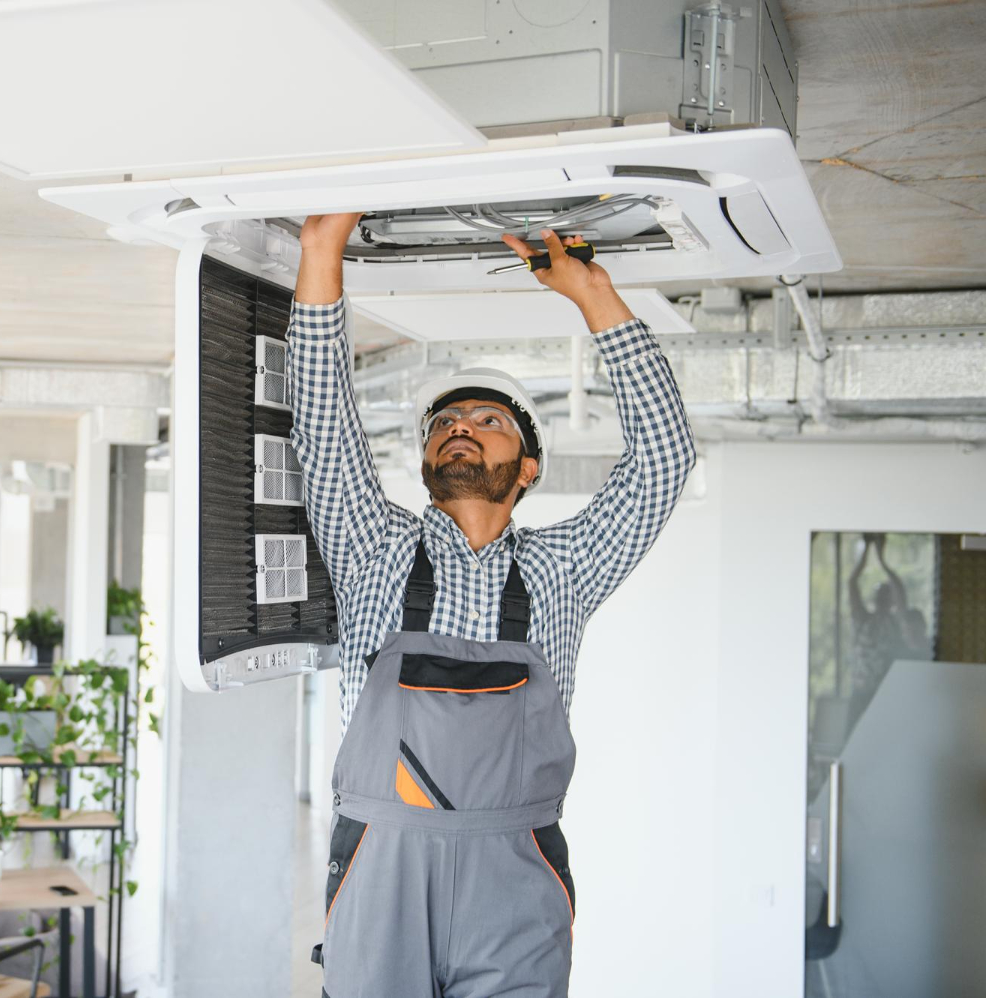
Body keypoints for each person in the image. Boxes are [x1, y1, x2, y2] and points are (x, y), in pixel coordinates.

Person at [287, 213, 697, 997]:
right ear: (426, 461)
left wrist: (593, 294)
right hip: (383, 861)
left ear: (529, 467)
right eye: (445, 423)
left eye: (488, 420)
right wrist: (321, 247)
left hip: (512, 871)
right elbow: (323, 423)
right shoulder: (370, 544)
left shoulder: (565, 567)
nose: (461, 428)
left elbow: (663, 461)